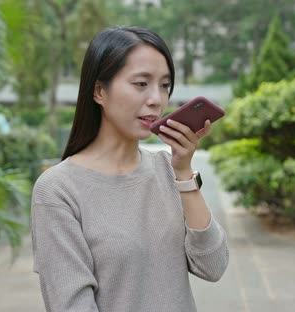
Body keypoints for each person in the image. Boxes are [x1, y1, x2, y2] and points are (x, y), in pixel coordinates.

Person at [30, 26, 229, 312]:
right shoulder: (58, 190)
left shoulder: (166, 168)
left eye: (164, 85)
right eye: (141, 84)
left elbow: (213, 265)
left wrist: (184, 173)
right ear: (99, 90)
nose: (157, 99)